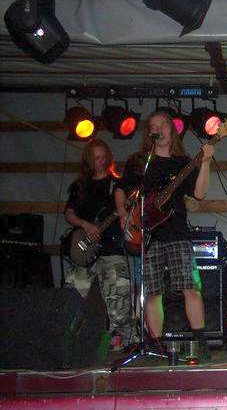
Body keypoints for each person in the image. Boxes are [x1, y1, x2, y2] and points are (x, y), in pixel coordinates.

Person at [115, 111, 214, 359]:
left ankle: (200, 342)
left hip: (177, 231)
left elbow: (199, 193)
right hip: (147, 234)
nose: (158, 129)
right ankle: (156, 346)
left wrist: (206, 162)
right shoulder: (139, 162)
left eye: (162, 125)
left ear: (172, 129)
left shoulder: (182, 162)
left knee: (190, 287)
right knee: (152, 292)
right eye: (153, 126)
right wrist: (123, 214)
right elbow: (120, 189)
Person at [64, 138, 134, 351]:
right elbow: (69, 214)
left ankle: (126, 344)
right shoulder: (80, 186)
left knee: (119, 303)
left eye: (104, 157)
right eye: (96, 158)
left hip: (112, 249)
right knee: (72, 298)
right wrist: (85, 225)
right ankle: (70, 344)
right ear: (89, 160)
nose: (101, 161)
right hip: (85, 250)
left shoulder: (118, 185)